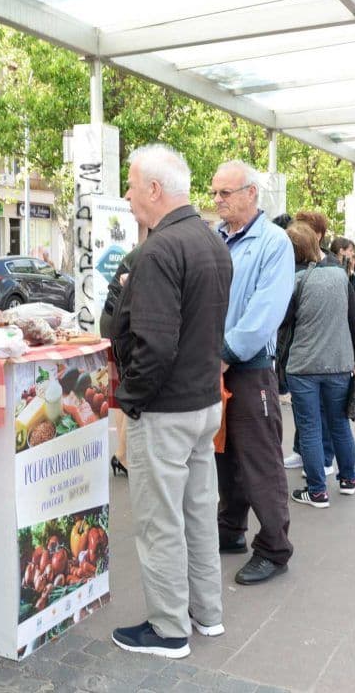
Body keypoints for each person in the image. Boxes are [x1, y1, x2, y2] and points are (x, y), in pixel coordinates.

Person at [110, 144, 232, 658]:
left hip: (166, 407)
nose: (128, 195)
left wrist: (129, 397)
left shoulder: (160, 250)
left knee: (161, 522)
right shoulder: (211, 240)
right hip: (203, 403)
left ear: (154, 190)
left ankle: (168, 629)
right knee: (199, 512)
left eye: (133, 185)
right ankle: (207, 613)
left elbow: (155, 344)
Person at [213, 160, 295, 586]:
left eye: (225, 193)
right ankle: (230, 532)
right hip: (215, 365)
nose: (217, 202)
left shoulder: (273, 242)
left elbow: (266, 312)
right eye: (214, 194)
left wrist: (226, 354)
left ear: (251, 194)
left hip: (249, 367)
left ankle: (275, 548)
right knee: (223, 455)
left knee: (259, 458)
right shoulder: (215, 239)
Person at [283, 223, 355, 508]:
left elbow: (283, 324)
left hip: (303, 365)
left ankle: (317, 490)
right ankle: (349, 479)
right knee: (340, 424)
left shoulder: (293, 280)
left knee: (309, 428)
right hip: (339, 363)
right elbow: (354, 319)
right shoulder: (340, 275)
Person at [99, 225, 149, 478]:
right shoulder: (148, 253)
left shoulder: (144, 251)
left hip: (114, 322)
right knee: (126, 390)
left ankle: (123, 453)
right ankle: (125, 455)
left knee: (120, 392)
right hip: (120, 325)